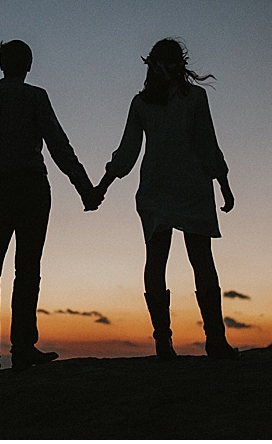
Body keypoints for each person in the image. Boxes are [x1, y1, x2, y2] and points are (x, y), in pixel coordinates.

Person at [92, 38, 240, 360]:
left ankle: (164, 342)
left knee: (157, 262)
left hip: (159, 193)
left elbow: (126, 156)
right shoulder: (192, 99)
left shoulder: (143, 103)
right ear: (181, 64)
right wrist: (224, 185)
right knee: (201, 262)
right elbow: (208, 147)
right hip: (191, 190)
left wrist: (101, 187)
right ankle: (214, 339)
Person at [0, 40, 100, 372]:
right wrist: (84, 187)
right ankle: (22, 348)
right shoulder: (35, 97)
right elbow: (58, 145)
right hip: (29, 187)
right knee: (26, 270)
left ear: (1, 65)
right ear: (28, 65)